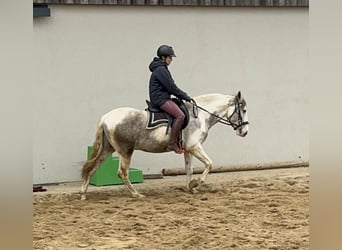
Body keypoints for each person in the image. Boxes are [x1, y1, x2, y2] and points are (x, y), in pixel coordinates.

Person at [148, 45, 192, 154]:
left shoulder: (161, 68)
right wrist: (185, 96)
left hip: (162, 97)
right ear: (163, 57)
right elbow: (171, 87)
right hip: (160, 99)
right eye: (170, 57)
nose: (171, 60)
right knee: (180, 116)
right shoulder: (161, 70)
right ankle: (172, 143)